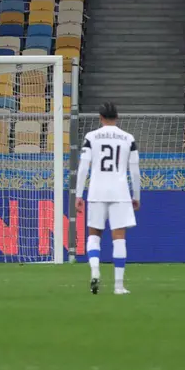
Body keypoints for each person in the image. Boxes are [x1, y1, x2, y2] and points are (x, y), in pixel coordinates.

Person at [75, 102, 140, 295]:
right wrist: (136, 196)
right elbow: (134, 171)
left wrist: (79, 194)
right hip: (120, 193)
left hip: (96, 192)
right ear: (117, 118)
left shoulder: (91, 137)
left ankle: (95, 271)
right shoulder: (128, 138)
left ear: (100, 118)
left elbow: (83, 168)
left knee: (94, 235)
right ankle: (118, 286)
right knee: (119, 238)